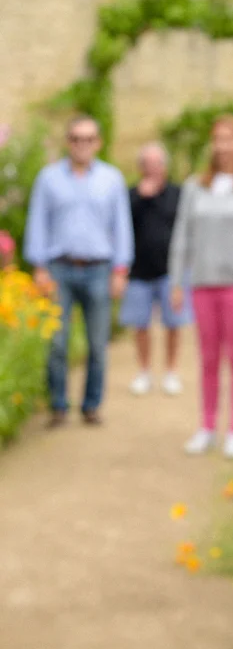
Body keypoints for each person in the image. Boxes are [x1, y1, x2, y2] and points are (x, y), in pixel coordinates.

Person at [168, 114, 233, 458]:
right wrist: (175, 281)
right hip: (203, 284)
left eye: (230, 138)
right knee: (207, 359)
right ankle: (207, 427)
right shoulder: (195, 187)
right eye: (217, 139)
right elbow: (182, 235)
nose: (223, 145)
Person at [24, 115, 133, 426]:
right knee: (56, 342)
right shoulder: (49, 179)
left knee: (98, 344)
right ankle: (58, 405)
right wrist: (39, 266)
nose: (81, 145)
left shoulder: (111, 179)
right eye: (75, 138)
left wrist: (121, 269)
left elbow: (121, 227)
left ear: (97, 143)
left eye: (88, 139)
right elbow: (38, 222)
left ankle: (91, 405)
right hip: (59, 268)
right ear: (67, 142)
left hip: (99, 268)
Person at [119, 142, 191, 397]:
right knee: (140, 324)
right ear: (140, 168)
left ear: (165, 166)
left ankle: (171, 371)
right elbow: (121, 226)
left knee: (173, 323)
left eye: (157, 163)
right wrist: (141, 196)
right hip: (139, 271)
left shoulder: (177, 194)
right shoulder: (130, 195)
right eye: (146, 164)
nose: (152, 169)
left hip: (171, 272)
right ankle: (144, 371)